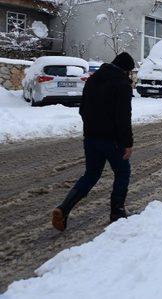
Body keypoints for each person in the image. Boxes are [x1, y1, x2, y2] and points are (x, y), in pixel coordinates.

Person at [51, 52, 135, 231]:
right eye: (129, 72)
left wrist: (92, 128)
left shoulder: (93, 79)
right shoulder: (122, 85)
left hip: (90, 138)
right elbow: (123, 117)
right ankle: (117, 212)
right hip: (112, 141)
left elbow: (82, 109)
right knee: (122, 172)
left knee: (91, 174)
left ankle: (63, 209)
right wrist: (127, 143)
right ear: (125, 70)